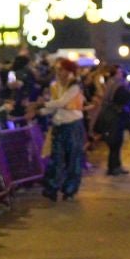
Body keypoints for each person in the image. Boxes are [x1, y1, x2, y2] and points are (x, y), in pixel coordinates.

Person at [39, 59, 87, 201]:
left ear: (69, 71)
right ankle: (52, 188)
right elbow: (53, 106)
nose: (59, 72)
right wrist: (39, 111)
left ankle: (70, 189)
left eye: (62, 69)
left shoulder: (74, 86)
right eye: (58, 69)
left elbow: (61, 102)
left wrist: (41, 105)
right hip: (59, 125)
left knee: (73, 159)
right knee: (56, 159)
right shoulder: (55, 86)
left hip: (72, 125)